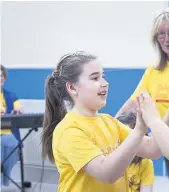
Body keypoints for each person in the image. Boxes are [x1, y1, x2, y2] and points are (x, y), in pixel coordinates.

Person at [41, 51, 163, 192]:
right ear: (72, 87)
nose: (105, 83)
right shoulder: (69, 130)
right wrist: (139, 131)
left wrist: (159, 119)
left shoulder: (109, 122)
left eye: (103, 77)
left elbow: (153, 149)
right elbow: (107, 173)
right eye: (95, 78)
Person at [115, 9, 169, 174]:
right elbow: (133, 103)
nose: (166, 39)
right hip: (163, 140)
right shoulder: (154, 71)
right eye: (161, 35)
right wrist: (110, 125)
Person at [117, 112, 154, 192]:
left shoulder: (145, 163)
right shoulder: (109, 160)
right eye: (119, 136)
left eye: (126, 137)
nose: (123, 142)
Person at [0, 64, 23, 186]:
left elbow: (18, 107)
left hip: (8, 133)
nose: (0, 78)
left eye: (1, 76)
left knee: (12, 144)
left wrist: (17, 111)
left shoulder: (12, 96)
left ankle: (4, 175)